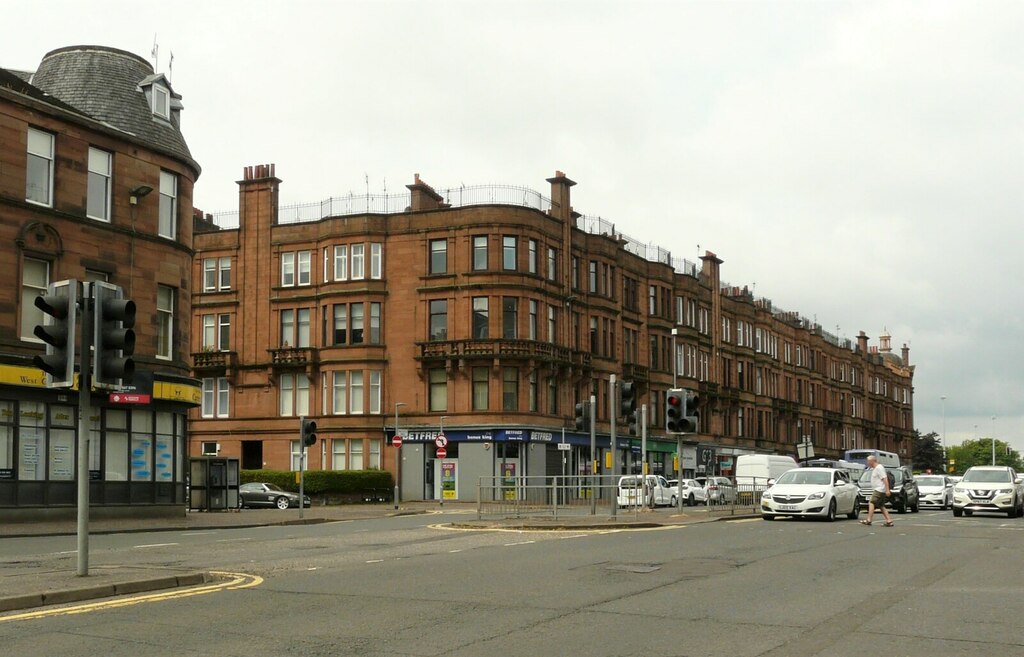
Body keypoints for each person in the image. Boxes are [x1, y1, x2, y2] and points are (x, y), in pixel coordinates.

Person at [861, 455, 894, 527]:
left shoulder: (879, 468)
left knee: (871, 502)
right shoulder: (876, 468)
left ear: (872, 461)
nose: (867, 463)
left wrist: (887, 490)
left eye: (868, 461)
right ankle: (889, 521)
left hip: (879, 489)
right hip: (880, 489)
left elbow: (885, 479)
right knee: (881, 505)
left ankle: (869, 520)